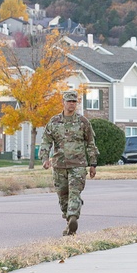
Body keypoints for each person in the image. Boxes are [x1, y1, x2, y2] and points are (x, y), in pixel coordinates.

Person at [40, 90, 98, 236]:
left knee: (74, 193)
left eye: (74, 102)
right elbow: (46, 141)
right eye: (69, 101)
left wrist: (93, 164)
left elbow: (90, 143)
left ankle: (73, 217)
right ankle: (69, 223)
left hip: (78, 165)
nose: (71, 104)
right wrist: (45, 158)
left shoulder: (83, 122)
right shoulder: (54, 122)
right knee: (62, 196)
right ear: (63, 102)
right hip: (59, 165)